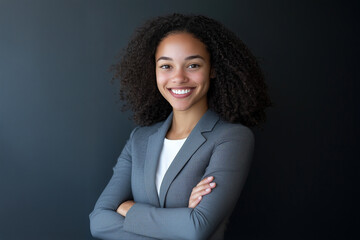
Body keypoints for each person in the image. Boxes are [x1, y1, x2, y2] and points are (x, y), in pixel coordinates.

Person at [89, 13, 271, 240]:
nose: (178, 77)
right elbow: (98, 221)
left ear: (213, 69)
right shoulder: (139, 139)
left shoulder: (232, 138)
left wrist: (129, 209)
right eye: (166, 66)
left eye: (193, 65)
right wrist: (180, 219)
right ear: (153, 71)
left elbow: (196, 228)